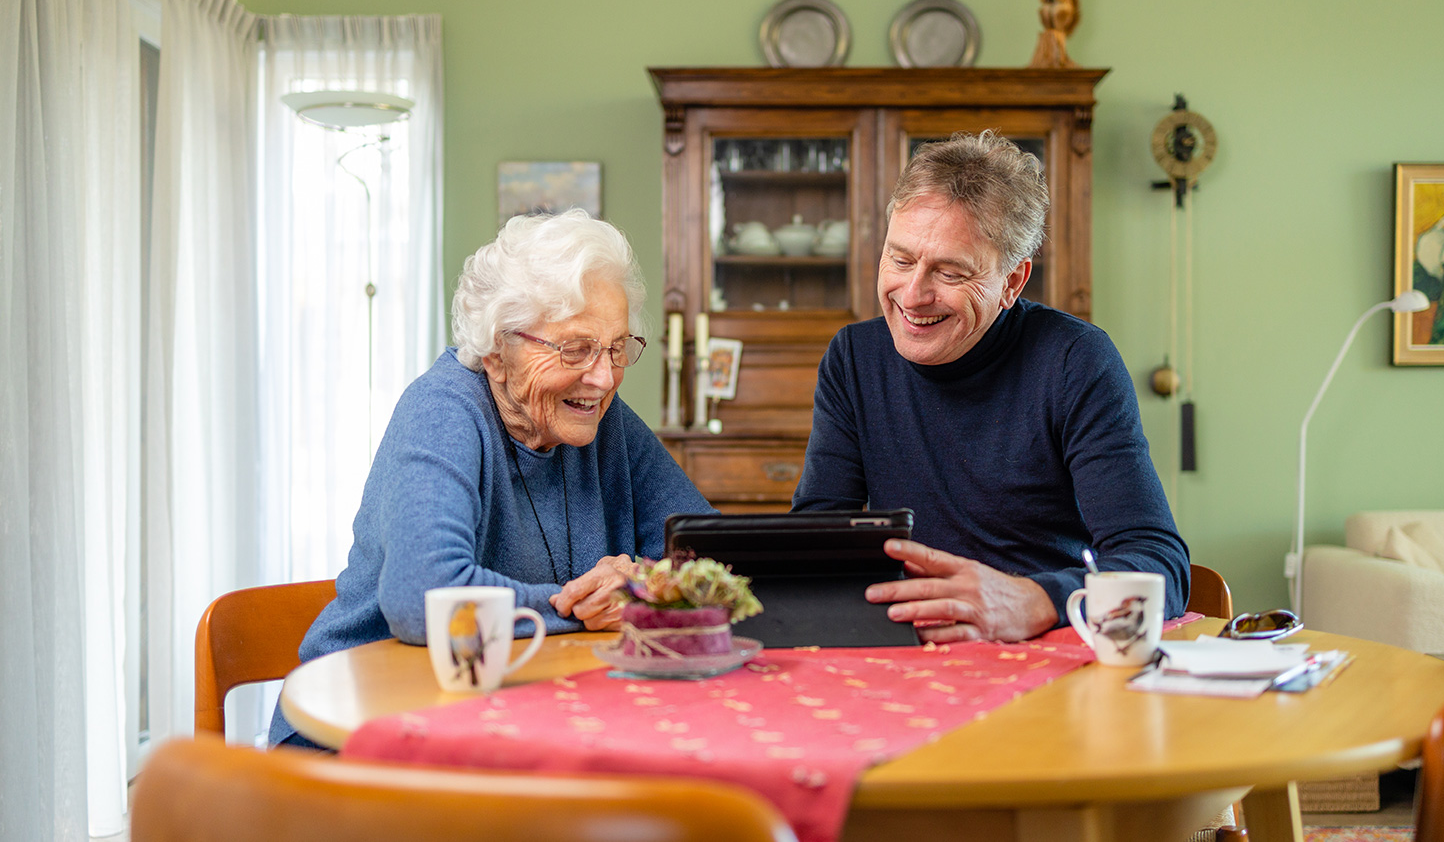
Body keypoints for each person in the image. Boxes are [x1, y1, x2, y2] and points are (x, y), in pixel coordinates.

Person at [269, 210, 712, 746]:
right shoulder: (443, 411)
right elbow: (426, 598)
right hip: (360, 732)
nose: (602, 376)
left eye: (617, 347)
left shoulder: (599, 417)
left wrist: (637, 582)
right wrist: (584, 610)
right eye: (576, 348)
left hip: (513, 719)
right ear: (498, 351)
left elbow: (708, 551)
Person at [792, 131, 1189, 643]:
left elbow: (1159, 567)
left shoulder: (1075, 360)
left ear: (1012, 282)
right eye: (901, 259)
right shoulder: (853, 358)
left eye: (950, 272)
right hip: (912, 647)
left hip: (1043, 649)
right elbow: (819, 545)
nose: (913, 295)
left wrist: (1039, 599)